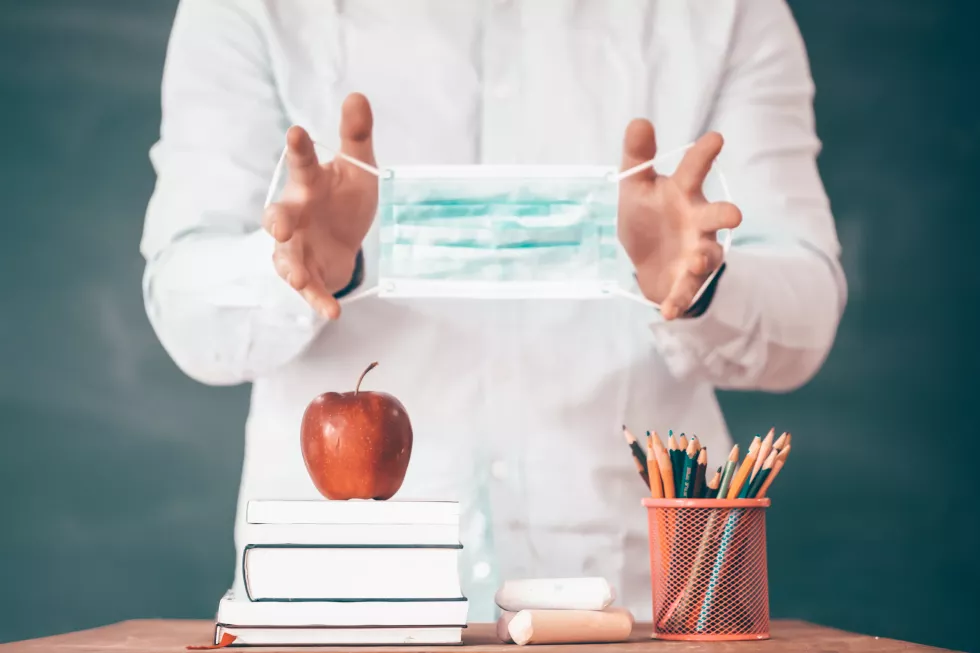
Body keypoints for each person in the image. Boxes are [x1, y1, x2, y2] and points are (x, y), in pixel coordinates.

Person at [141, 0, 846, 618]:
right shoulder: (251, 8)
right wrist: (300, 271)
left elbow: (806, 316)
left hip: (636, 612)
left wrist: (700, 284)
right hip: (335, 607)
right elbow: (187, 313)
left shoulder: (725, 12)